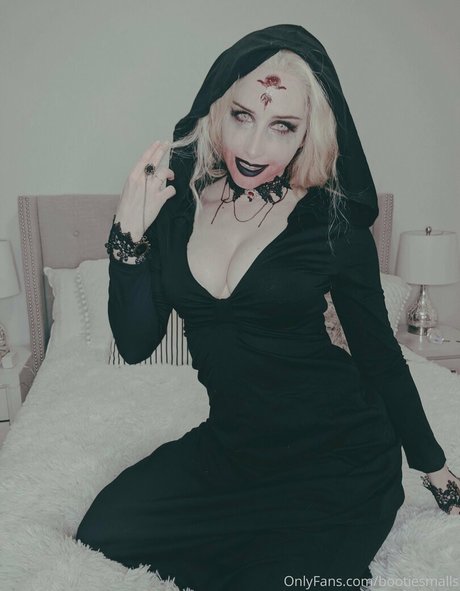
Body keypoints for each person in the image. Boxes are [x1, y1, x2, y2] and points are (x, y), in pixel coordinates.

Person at [76, 24, 460, 591]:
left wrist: (435, 469)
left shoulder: (333, 225)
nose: (255, 148)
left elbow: (380, 357)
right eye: (242, 116)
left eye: (283, 126)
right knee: (103, 531)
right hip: (232, 448)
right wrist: (128, 235)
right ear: (216, 111)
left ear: (309, 133)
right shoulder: (175, 210)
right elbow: (134, 345)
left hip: (338, 453)